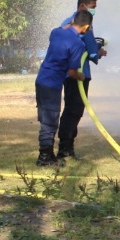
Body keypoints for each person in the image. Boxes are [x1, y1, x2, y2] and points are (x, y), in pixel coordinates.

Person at [35, 10, 93, 167]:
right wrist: (81, 76)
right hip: (52, 84)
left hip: (40, 80)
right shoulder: (77, 44)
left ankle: (48, 155)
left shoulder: (56, 32)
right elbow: (72, 72)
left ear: (73, 20)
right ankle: (44, 158)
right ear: (86, 27)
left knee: (46, 119)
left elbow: (65, 28)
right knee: (50, 121)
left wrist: (73, 21)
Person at [57, 0, 106, 160]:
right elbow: (91, 48)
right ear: (83, 6)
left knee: (73, 109)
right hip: (76, 74)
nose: (94, 11)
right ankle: (64, 149)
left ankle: (68, 148)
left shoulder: (67, 22)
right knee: (74, 110)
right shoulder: (83, 24)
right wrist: (98, 53)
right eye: (93, 7)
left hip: (71, 73)